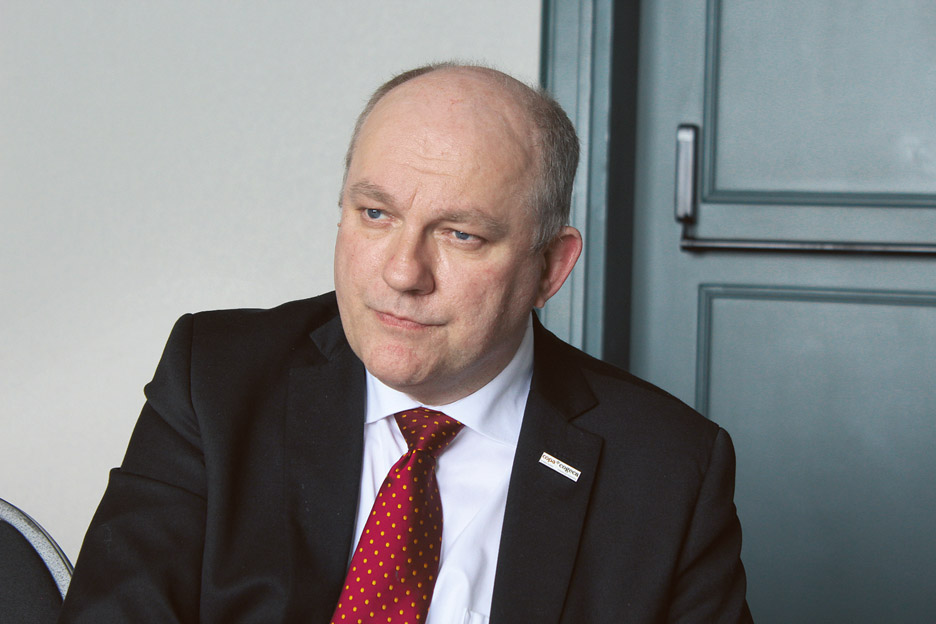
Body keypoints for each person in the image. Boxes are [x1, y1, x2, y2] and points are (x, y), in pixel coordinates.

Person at [59, 63, 752, 623]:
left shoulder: (668, 469)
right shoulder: (217, 378)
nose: (401, 273)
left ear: (550, 268)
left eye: (461, 234)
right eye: (375, 213)